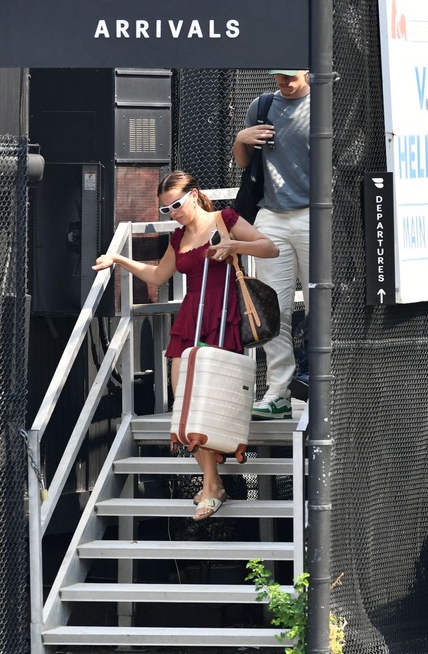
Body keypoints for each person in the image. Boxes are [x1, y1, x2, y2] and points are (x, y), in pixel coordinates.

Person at [92, 170, 278, 520]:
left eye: (176, 205)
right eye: (166, 209)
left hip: (222, 316)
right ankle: (212, 483)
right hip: (191, 318)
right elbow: (157, 275)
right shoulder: (178, 238)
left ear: (194, 195)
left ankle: (212, 485)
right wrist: (117, 260)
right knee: (185, 403)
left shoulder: (225, 219)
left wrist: (234, 246)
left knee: (209, 402)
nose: (173, 213)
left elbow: (270, 248)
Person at [232, 70, 311, 420]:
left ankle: (323, 387)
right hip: (271, 215)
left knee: (320, 302)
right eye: (279, 75)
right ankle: (278, 391)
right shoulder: (262, 105)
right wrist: (241, 139)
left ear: (306, 70)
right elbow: (243, 162)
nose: (284, 81)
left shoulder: (324, 104)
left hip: (315, 213)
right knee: (272, 307)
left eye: (290, 76)